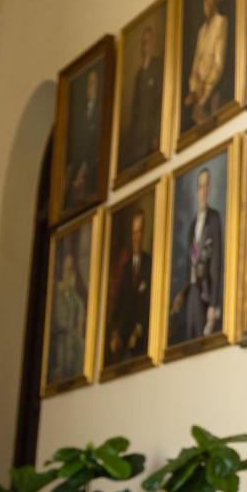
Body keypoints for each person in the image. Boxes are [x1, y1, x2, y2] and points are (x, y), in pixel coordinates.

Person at [169, 166, 224, 344]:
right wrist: (182, 294)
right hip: (192, 292)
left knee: (201, 343)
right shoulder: (193, 224)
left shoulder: (214, 218)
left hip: (205, 293)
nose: (203, 191)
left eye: (206, 186)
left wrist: (214, 304)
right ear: (196, 191)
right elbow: (191, 264)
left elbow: (216, 264)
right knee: (189, 338)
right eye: (200, 187)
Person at [104, 206, 152, 365]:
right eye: (133, 233)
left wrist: (138, 331)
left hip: (141, 340)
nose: (136, 237)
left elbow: (149, 305)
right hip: (123, 338)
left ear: (144, 233)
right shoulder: (125, 267)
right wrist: (114, 334)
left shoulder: (149, 264)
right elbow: (118, 303)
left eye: (139, 232)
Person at [185, 0, 230, 125]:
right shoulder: (201, 31)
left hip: (211, 94)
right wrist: (193, 90)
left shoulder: (221, 22)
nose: (207, 3)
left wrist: (203, 94)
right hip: (198, 95)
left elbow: (218, 66)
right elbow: (195, 66)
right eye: (204, 0)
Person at [121, 24, 164, 165]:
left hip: (151, 131)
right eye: (144, 42)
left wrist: (156, 133)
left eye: (148, 42)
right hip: (138, 136)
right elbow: (135, 109)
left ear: (152, 44)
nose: (146, 46)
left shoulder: (158, 66)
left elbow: (160, 101)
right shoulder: (138, 75)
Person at [65, 68, 102, 205]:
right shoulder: (82, 113)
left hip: (91, 165)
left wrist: (84, 169)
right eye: (88, 84)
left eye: (93, 84)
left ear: (97, 87)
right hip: (78, 164)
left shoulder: (100, 112)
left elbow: (96, 145)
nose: (90, 88)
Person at [50, 249, 86, 380]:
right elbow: (61, 322)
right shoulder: (57, 295)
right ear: (63, 272)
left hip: (73, 343)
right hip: (61, 344)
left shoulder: (75, 298)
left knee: (80, 345)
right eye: (68, 270)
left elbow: (80, 311)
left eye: (72, 270)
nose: (70, 274)